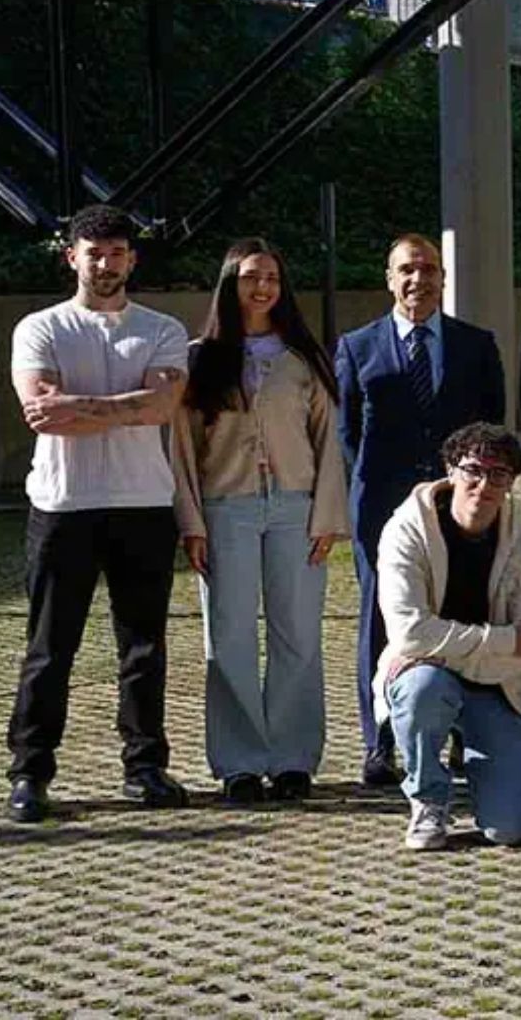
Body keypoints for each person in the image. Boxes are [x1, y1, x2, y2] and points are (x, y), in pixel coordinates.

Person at [6, 204, 192, 822]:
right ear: (72, 257)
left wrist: (80, 405)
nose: (106, 264)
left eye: (116, 253)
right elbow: (41, 413)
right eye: (94, 253)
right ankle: (30, 772)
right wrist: (128, 405)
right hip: (63, 506)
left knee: (143, 647)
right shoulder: (40, 328)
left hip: (144, 504)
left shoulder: (162, 329)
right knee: (49, 647)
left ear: (132, 259)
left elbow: (163, 408)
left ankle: (145, 767)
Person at [173, 238, 348, 804]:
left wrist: (326, 516)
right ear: (231, 283)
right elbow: (181, 447)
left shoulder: (303, 358)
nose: (263, 287)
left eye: (271, 277)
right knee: (229, 637)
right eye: (251, 276)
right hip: (227, 510)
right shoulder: (200, 359)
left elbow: (329, 440)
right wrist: (191, 523)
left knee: (298, 635)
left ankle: (293, 759)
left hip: (296, 509)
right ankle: (240, 763)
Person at [336, 234, 506, 785]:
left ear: (443, 278)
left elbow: (493, 430)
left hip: (459, 507)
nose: (419, 280)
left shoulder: (476, 345)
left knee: (461, 610)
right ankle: (380, 743)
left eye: (429, 269)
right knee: (381, 619)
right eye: (407, 270)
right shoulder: (356, 347)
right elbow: (347, 433)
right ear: (390, 278)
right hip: (381, 509)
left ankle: (459, 735)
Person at [373, 423, 521, 850]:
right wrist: (507, 641)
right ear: (451, 469)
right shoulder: (405, 529)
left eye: (499, 474)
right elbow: (409, 633)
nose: (484, 484)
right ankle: (428, 798)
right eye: (473, 469)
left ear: (512, 482)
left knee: (509, 830)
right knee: (423, 690)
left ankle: (482, 766)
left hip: (499, 686)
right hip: (429, 677)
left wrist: (439, 648)